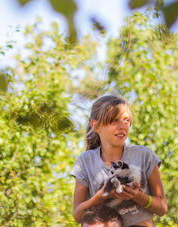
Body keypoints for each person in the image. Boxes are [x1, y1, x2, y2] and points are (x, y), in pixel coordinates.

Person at [70, 95, 167, 227]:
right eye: (114, 121)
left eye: (126, 120)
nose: (122, 126)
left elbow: (162, 208)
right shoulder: (85, 162)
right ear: (96, 125)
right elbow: (78, 215)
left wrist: (137, 196)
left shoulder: (144, 155)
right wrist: (101, 196)